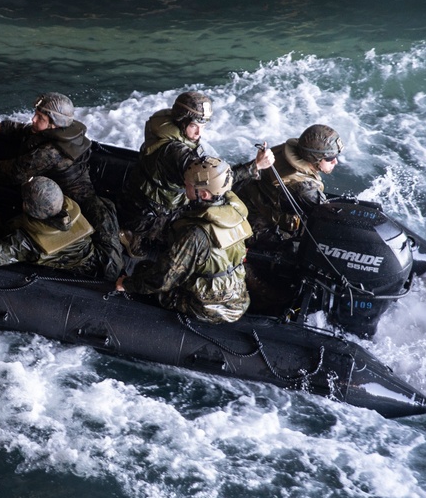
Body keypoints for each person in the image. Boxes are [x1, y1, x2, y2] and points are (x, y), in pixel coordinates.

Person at [0, 92, 123, 281]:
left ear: (54, 124)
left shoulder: (50, 152)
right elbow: (24, 130)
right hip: (68, 191)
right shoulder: (58, 132)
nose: (33, 119)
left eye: (40, 117)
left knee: (108, 261)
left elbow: (12, 174)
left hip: (71, 201)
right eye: (36, 113)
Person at [116, 90, 274, 259]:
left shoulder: (168, 128)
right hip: (153, 213)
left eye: (203, 127)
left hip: (155, 197)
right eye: (194, 126)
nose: (199, 133)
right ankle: (136, 239)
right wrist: (254, 167)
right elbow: (213, 180)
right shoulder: (175, 153)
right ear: (181, 121)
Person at [115, 157, 253, 324]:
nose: (184, 186)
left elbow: (162, 280)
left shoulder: (195, 234)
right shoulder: (231, 208)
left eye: (188, 185)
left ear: (203, 194)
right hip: (236, 294)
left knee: (143, 268)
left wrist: (127, 284)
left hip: (207, 306)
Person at [235, 124, 342, 243]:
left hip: (246, 194)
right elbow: (329, 219)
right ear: (314, 159)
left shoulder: (284, 152)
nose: (335, 161)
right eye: (329, 159)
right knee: (295, 248)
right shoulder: (303, 189)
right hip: (255, 224)